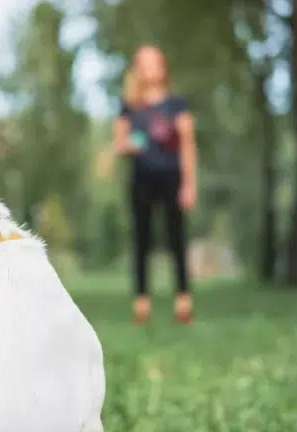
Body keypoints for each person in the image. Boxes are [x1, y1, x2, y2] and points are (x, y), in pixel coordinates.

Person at [113, 44, 197, 324]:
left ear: (163, 67)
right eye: (146, 63)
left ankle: (183, 301)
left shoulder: (177, 105)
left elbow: (187, 146)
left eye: (156, 62)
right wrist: (131, 145)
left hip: (171, 177)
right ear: (138, 70)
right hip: (142, 179)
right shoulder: (130, 106)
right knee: (142, 240)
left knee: (177, 240)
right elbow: (120, 142)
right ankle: (141, 303)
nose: (153, 68)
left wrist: (189, 185)